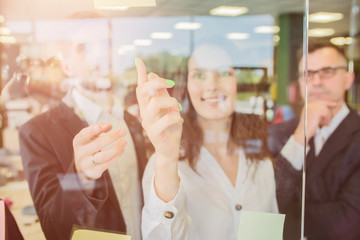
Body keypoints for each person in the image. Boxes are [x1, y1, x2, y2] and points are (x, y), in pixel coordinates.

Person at [18, 15, 147, 240]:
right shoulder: (37, 132)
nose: (99, 55)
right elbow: (53, 229)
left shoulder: (133, 122)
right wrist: (81, 178)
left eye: (105, 46)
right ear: (66, 66)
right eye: (83, 48)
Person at [136, 42, 278, 240]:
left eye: (224, 73)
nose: (212, 86)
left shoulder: (261, 160)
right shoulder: (165, 165)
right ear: (186, 86)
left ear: (238, 81)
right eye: (199, 75)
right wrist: (167, 159)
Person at [269, 42, 360, 240]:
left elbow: (349, 224)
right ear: (299, 84)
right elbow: (264, 204)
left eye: (327, 71)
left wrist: (288, 213)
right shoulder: (278, 134)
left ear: (348, 79)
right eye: (307, 74)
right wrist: (300, 137)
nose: (316, 81)